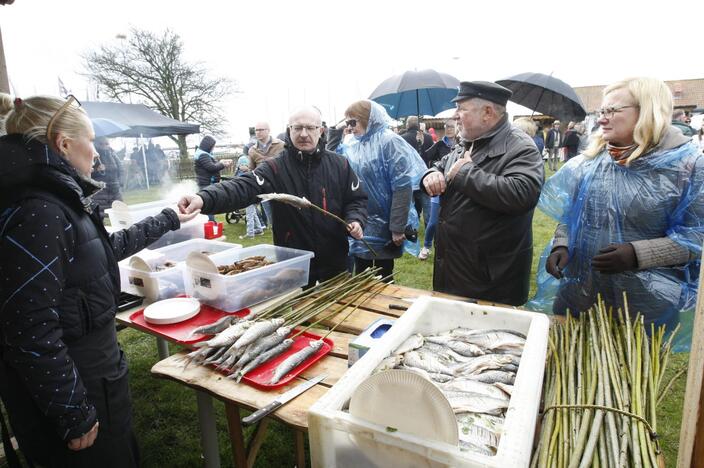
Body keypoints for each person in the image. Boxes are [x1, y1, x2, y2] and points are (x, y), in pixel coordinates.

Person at [0, 95, 196, 467]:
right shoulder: (39, 210)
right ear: (63, 143)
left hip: (93, 374)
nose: (98, 155)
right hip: (76, 381)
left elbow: (102, 249)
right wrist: (72, 412)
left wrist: (168, 217)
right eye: (90, 141)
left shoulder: (54, 200)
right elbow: (28, 326)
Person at [535, 77, 704, 335]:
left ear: (648, 111)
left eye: (612, 111)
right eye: (602, 111)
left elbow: (696, 237)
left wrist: (637, 254)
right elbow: (573, 215)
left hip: (641, 305)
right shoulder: (593, 161)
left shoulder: (689, 166)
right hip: (579, 293)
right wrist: (562, 243)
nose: (602, 118)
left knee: (625, 372)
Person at [178, 106, 367, 285]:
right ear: (288, 130)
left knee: (340, 312)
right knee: (298, 313)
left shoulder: (340, 165)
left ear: (321, 131)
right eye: (297, 128)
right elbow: (242, 187)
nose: (303, 134)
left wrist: (356, 219)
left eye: (310, 128)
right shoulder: (275, 167)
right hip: (294, 260)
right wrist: (204, 198)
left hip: (335, 257)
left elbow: (356, 200)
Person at [422, 81, 544, 305]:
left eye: (462, 109)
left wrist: (466, 174)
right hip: (456, 268)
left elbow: (522, 193)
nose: (456, 116)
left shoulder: (521, 147)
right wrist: (431, 174)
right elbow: (443, 165)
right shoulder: (470, 142)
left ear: (487, 112)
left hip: (491, 280)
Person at [339, 100, 426, 280]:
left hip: (385, 223)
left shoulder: (390, 141)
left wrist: (397, 227)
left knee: (383, 276)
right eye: (347, 123)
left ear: (368, 119)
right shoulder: (353, 143)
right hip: (360, 219)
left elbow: (402, 187)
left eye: (352, 122)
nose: (349, 127)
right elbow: (332, 155)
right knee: (361, 275)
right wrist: (336, 130)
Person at [419, 119, 459, 260]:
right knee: (433, 221)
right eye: (447, 127)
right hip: (439, 187)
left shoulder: (462, 144)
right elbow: (425, 157)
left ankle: (449, 249)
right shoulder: (440, 144)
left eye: (452, 127)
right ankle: (427, 246)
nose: (449, 129)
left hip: (456, 190)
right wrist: (421, 142)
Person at [248, 121, 285, 228]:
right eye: (256, 130)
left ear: (268, 130)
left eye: (261, 130)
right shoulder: (252, 150)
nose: (258, 132)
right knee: (272, 222)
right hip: (264, 189)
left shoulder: (281, 145)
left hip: (281, 187)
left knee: (286, 218)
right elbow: (252, 170)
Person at [401, 116, 434, 229]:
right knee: (427, 208)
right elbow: (431, 157)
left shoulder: (401, 139)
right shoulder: (429, 138)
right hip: (424, 177)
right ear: (419, 125)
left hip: (408, 178)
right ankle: (429, 231)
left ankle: (412, 230)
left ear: (407, 125)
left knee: (410, 208)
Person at [194, 135, 232, 221]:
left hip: (208, 183)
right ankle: (211, 225)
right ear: (208, 145)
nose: (213, 148)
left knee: (210, 204)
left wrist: (220, 162)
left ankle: (212, 224)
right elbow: (211, 168)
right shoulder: (203, 155)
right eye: (213, 146)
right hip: (206, 184)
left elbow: (212, 165)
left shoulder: (204, 154)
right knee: (209, 205)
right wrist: (223, 164)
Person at [234, 153, 264, 238]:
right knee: (253, 213)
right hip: (251, 197)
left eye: (242, 165)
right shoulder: (242, 174)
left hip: (250, 197)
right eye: (240, 165)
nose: (240, 167)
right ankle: (259, 229)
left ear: (246, 165)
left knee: (249, 215)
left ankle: (250, 233)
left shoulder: (249, 175)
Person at [91, 137, 124, 212]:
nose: (104, 146)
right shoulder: (93, 155)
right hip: (100, 191)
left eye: (106, 143)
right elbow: (86, 173)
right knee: (101, 213)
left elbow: (120, 168)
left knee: (121, 212)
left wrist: (120, 182)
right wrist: (97, 170)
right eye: (101, 144)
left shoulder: (113, 154)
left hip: (115, 188)